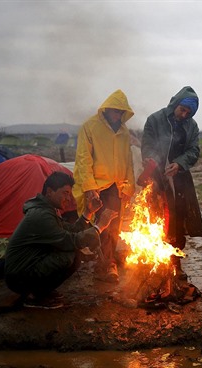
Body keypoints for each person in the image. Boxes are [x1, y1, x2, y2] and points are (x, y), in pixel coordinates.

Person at [5, 171, 118, 309]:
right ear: (50, 192)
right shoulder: (41, 215)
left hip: (27, 268)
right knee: (69, 253)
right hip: (19, 276)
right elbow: (70, 240)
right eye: (65, 193)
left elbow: (70, 230)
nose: (69, 198)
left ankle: (41, 291)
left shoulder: (47, 210)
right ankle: (33, 296)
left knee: (73, 254)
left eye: (70, 194)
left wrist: (88, 213)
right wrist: (100, 226)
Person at [140, 86, 202, 280]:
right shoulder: (155, 119)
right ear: (175, 104)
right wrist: (153, 162)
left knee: (177, 221)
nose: (184, 115)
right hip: (155, 176)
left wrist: (179, 164)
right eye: (182, 109)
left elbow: (194, 151)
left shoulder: (191, 126)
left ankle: (174, 263)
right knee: (155, 219)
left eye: (188, 112)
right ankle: (153, 263)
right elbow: (148, 145)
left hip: (179, 179)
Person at [72, 89, 136, 283]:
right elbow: (83, 159)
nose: (117, 115)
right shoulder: (90, 127)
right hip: (99, 186)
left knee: (114, 226)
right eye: (114, 111)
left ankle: (106, 263)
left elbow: (128, 160)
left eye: (120, 111)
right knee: (103, 226)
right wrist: (90, 187)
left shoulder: (124, 132)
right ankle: (107, 265)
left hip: (117, 186)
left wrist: (129, 186)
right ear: (106, 109)